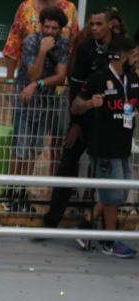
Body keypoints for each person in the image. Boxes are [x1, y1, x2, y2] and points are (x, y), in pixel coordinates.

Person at [42, 9, 118, 231]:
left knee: (106, 173)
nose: (93, 28)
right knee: (66, 165)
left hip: (109, 124)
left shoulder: (121, 46)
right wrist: (75, 122)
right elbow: (75, 86)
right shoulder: (85, 48)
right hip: (82, 118)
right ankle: (51, 222)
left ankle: (105, 226)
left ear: (110, 25)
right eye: (91, 24)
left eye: (98, 24)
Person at [70, 36, 138, 258]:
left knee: (116, 192)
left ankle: (85, 227)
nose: (137, 60)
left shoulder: (133, 79)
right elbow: (75, 107)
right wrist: (90, 103)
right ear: (123, 57)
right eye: (135, 56)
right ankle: (110, 241)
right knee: (112, 195)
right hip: (104, 145)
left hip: (124, 145)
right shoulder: (99, 78)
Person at [7, 6, 70, 210]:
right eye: (46, 26)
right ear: (41, 25)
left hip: (46, 102)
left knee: (34, 149)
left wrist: (38, 84)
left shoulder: (64, 43)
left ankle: (23, 191)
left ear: (61, 29)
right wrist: (42, 51)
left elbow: (61, 76)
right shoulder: (32, 41)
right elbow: (33, 74)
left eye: (54, 28)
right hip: (25, 101)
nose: (50, 31)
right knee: (20, 147)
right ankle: (11, 192)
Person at [4, 0, 78, 82]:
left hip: (57, 81)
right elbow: (13, 46)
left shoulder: (70, 9)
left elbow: (74, 47)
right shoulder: (25, 7)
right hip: (28, 78)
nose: (50, 31)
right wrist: (9, 80)